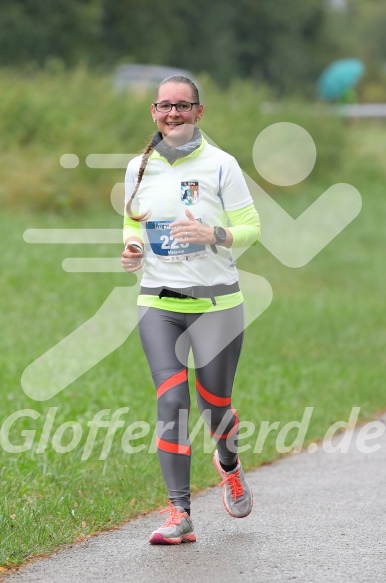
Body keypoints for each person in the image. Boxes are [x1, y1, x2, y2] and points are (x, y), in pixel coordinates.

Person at [121, 75, 260, 545]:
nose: (173, 114)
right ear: (154, 112)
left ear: (199, 112)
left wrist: (213, 235)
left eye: (183, 106)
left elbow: (250, 228)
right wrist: (133, 248)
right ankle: (179, 512)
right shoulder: (138, 167)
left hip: (218, 304)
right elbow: (132, 219)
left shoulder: (222, 165)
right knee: (172, 402)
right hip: (157, 302)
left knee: (214, 405)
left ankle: (229, 463)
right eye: (165, 106)